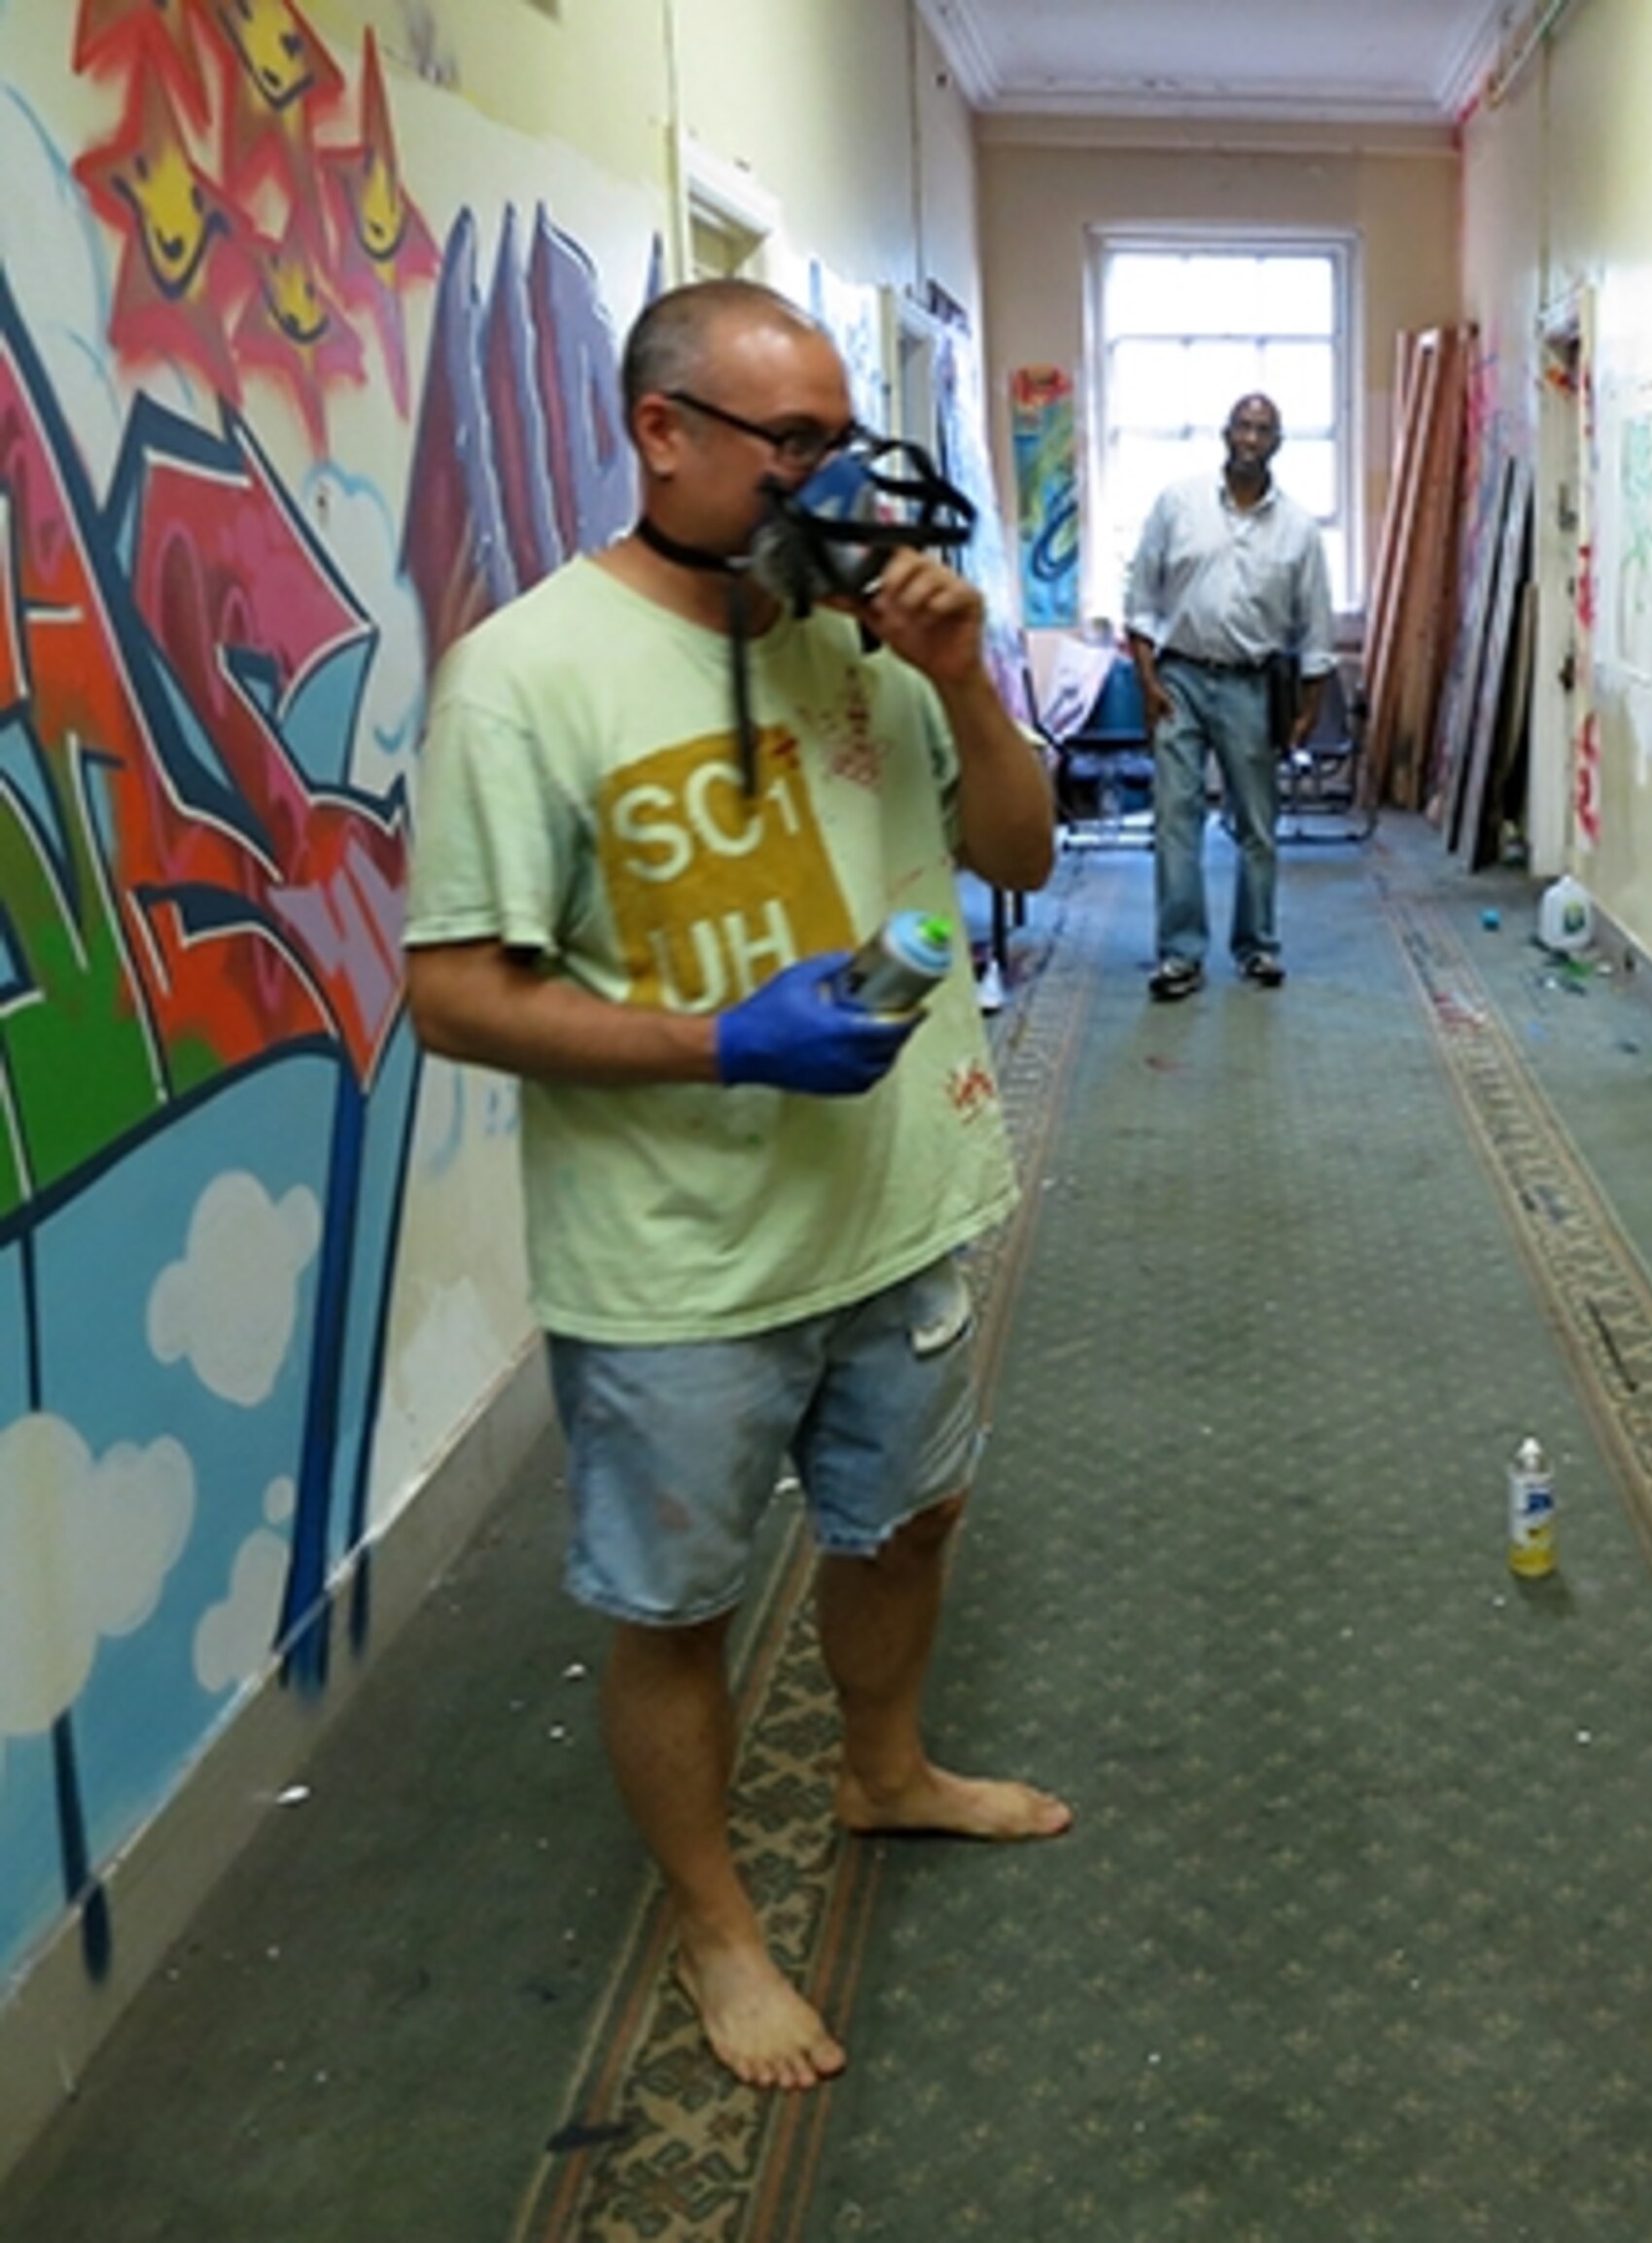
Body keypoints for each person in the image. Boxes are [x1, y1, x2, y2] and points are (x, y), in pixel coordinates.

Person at [403, 279, 1068, 2094]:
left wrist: (963, 675)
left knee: (907, 1522)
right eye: (790, 442)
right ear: (660, 433)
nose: (829, 478)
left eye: (839, 438)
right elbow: (453, 990)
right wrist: (721, 1043)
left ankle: (885, 1765)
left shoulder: (862, 640)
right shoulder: (526, 675)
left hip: (904, 1201)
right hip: (675, 1258)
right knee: (675, 1609)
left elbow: (1018, 851)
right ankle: (715, 1925)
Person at [1123, 391, 1335, 999]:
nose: (1250, 437)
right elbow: (1141, 601)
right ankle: (1180, 955)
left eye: (1263, 428)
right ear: (1225, 433)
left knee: (1257, 826)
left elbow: (1315, 628)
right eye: (1242, 425)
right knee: (1175, 819)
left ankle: (1258, 946)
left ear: (1278, 442)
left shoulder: (1297, 530)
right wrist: (1147, 683)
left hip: (1252, 684)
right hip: (1178, 679)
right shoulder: (1179, 504)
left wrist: (1308, 710)